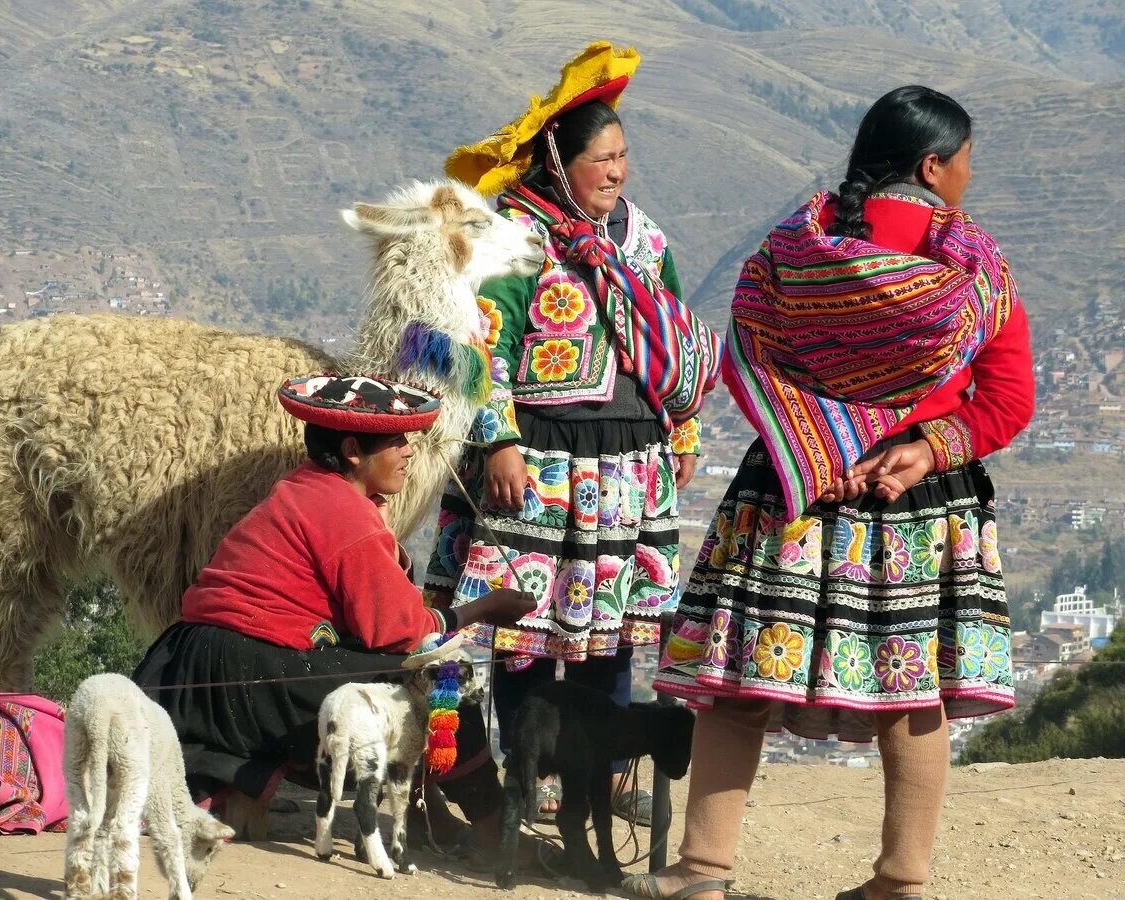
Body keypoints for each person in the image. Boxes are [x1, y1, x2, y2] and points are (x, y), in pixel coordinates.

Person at [629, 86, 1035, 900]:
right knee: (912, 690)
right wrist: (924, 448)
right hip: (918, 504)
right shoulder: (974, 267)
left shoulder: (789, 251)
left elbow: (747, 358)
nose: (968, 175)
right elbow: (1009, 397)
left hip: (789, 493)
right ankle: (901, 880)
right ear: (931, 165)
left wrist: (812, 445)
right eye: (965, 161)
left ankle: (702, 870)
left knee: (743, 677)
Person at [429, 42, 725, 825]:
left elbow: (671, 337)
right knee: (526, 623)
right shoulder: (516, 237)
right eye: (603, 157)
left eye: (625, 156)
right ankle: (522, 780)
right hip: (542, 460)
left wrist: (684, 432)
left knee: (612, 627)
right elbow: (478, 345)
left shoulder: (644, 239)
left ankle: (601, 782)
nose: (618, 171)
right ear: (561, 162)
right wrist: (497, 440)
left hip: (631, 463)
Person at [132, 372, 537, 863]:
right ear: (351, 450)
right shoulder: (342, 511)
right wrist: (485, 609)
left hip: (191, 662)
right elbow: (397, 633)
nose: (408, 451)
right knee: (440, 682)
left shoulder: (310, 488)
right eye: (395, 441)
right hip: (245, 670)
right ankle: (498, 833)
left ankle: (434, 815)